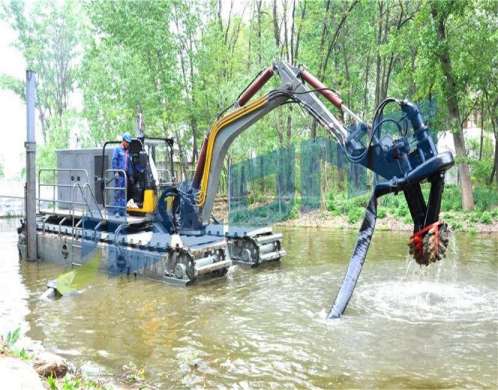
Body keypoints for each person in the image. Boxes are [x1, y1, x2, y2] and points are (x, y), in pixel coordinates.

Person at [112, 132, 133, 216]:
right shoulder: (117, 149)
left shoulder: (127, 151)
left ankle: (123, 211)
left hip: (125, 175)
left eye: (128, 143)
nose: (128, 144)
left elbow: (129, 164)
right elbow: (114, 160)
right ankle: (117, 211)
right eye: (127, 142)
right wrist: (116, 171)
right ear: (123, 141)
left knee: (124, 193)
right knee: (118, 192)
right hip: (119, 175)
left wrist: (130, 175)